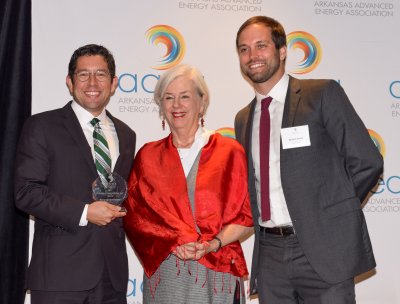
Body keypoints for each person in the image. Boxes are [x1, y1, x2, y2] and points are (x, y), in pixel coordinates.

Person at [234, 16, 383, 304]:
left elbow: (367, 161)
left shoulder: (321, 94)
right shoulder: (243, 118)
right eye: (244, 49)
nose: (252, 56)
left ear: (282, 50)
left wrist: (332, 215)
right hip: (270, 255)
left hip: (324, 250)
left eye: (261, 45)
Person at [14, 44, 136, 304]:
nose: (92, 82)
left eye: (101, 74)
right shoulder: (42, 126)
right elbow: (26, 193)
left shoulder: (126, 134)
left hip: (112, 278)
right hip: (60, 277)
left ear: (114, 83)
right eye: (83, 74)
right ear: (70, 82)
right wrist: (84, 212)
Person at [123, 64, 253, 304]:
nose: (176, 105)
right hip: (166, 274)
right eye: (168, 98)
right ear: (161, 106)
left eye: (185, 97)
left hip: (217, 272)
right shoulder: (147, 156)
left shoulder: (229, 153)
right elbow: (134, 217)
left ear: (202, 103)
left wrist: (212, 244)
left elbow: (246, 217)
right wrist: (174, 240)